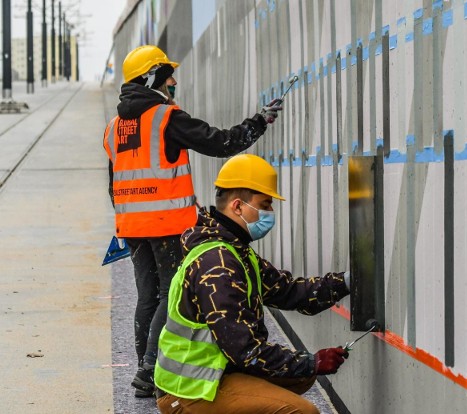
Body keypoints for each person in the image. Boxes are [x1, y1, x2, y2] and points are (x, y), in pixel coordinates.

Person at [102, 45, 282, 398]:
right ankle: (149, 370)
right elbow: (222, 143)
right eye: (167, 73)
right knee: (170, 295)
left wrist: (133, 216)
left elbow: (114, 185)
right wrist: (260, 121)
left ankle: (145, 369)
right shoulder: (166, 118)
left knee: (147, 298)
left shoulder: (113, 128)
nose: (173, 80)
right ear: (150, 78)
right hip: (168, 226)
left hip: (133, 229)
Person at [154, 154, 351, 414]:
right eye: (265, 204)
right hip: (189, 391)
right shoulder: (218, 265)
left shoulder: (234, 251)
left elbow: (287, 291)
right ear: (237, 206)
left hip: (217, 373)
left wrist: (347, 282)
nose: (270, 213)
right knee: (303, 411)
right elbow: (245, 350)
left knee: (300, 376)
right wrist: (311, 361)